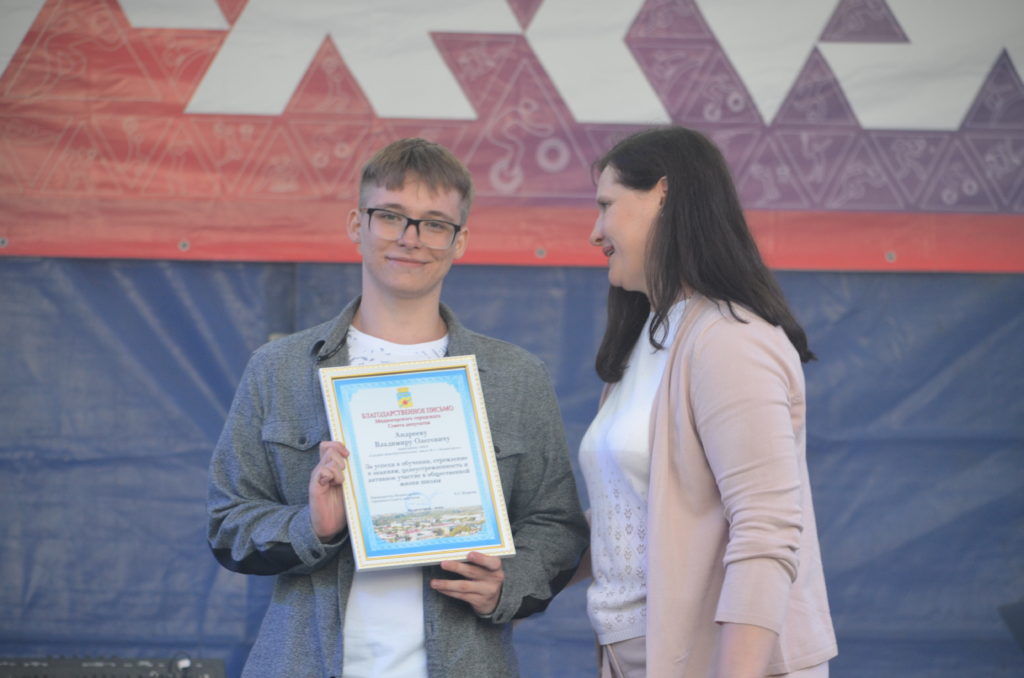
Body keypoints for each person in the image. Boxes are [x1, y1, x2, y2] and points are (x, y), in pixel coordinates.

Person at [207, 138, 588, 678]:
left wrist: (509, 582)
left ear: (460, 241)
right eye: (390, 216)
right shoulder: (279, 369)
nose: (410, 238)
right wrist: (313, 526)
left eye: (435, 224)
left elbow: (556, 525)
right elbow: (228, 522)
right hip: (303, 661)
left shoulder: (516, 377)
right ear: (356, 224)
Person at [578, 126, 837, 678]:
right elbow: (637, 516)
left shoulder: (728, 339)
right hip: (640, 656)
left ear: (663, 195)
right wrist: (512, 561)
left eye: (606, 205)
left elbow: (765, 530)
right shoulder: (647, 340)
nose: (594, 231)